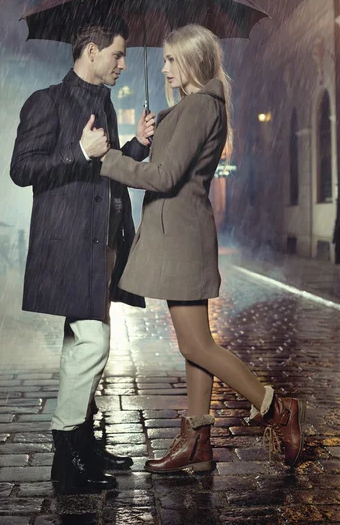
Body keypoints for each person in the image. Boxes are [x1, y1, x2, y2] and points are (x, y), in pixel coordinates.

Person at [100, 23, 306, 473]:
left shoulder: (197, 109)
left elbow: (163, 178)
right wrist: (150, 137)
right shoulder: (197, 108)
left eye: (173, 59)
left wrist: (108, 159)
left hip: (182, 239)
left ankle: (275, 409)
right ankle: (197, 441)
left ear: (193, 61)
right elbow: (171, 165)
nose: (166, 68)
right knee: (196, 343)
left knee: (196, 344)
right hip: (183, 236)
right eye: (167, 59)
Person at [10, 17, 155, 493]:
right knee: (92, 343)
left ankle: (83, 444)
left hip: (103, 245)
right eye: (117, 54)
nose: (122, 64)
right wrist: (77, 150)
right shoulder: (46, 101)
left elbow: (105, 171)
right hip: (70, 245)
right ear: (91, 51)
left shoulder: (105, 105)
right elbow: (21, 169)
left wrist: (136, 145)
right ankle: (67, 447)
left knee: (83, 344)